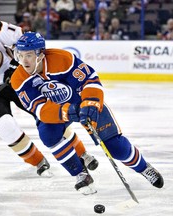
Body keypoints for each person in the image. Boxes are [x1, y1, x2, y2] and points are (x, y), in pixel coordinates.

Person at [0, 9, 97, 177]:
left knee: (48, 114)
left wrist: (18, 63)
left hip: (17, 79)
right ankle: (38, 162)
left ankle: (82, 153)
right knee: (5, 126)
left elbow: (21, 40)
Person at [11, 32, 164, 194]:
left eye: (28, 55)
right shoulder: (18, 78)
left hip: (82, 101)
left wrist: (90, 102)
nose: (24, 61)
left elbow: (90, 79)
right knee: (48, 134)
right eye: (20, 55)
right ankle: (81, 174)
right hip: (58, 110)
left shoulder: (63, 59)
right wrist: (68, 111)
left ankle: (143, 167)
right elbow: (40, 110)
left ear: (40, 54)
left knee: (115, 147)